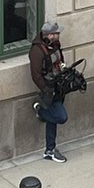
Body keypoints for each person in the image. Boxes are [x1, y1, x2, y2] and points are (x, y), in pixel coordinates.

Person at [29, 20, 69, 163]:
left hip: (59, 86)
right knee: (61, 117)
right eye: (57, 33)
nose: (59, 35)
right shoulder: (37, 51)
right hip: (49, 89)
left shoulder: (55, 45)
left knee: (53, 121)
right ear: (50, 35)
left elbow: (60, 61)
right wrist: (46, 90)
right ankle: (40, 111)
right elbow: (35, 75)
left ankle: (50, 150)